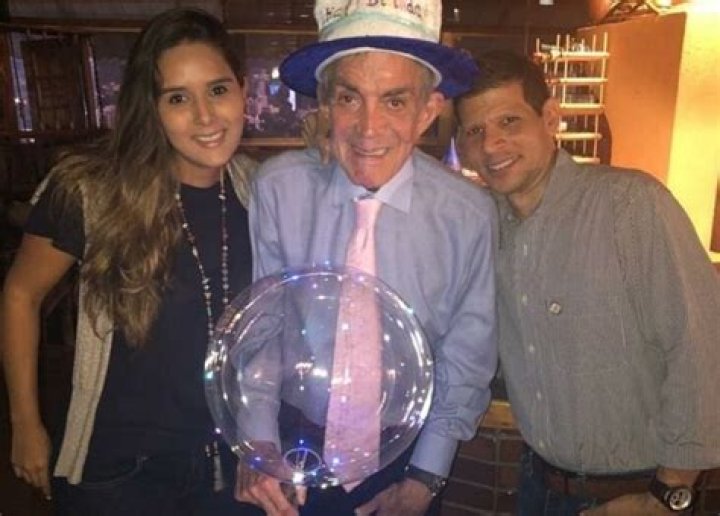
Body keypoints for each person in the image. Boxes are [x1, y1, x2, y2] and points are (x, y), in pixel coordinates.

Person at [236, 1, 498, 515]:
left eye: (394, 101)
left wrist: (425, 478)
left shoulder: (467, 215)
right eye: (349, 98)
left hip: (411, 454)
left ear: (428, 111)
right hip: (293, 444)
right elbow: (263, 328)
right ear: (324, 106)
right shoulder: (280, 190)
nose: (368, 127)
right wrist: (259, 442)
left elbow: (466, 358)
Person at [1, 8, 264, 515]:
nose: (205, 117)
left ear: (242, 91)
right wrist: (25, 424)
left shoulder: (260, 189)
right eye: (178, 98)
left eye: (218, 90)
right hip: (121, 470)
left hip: (228, 463)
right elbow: (20, 294)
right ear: (152, 107)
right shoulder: (93, 190)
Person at [454, 49, 720, 515]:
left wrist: (670, 494)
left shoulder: (631, 205)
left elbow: (702, 345)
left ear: (550, 118)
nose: (492, 145)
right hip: (537, 484)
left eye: (509, 122)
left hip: (638, 493)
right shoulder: (482, 221)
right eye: (475, 131)